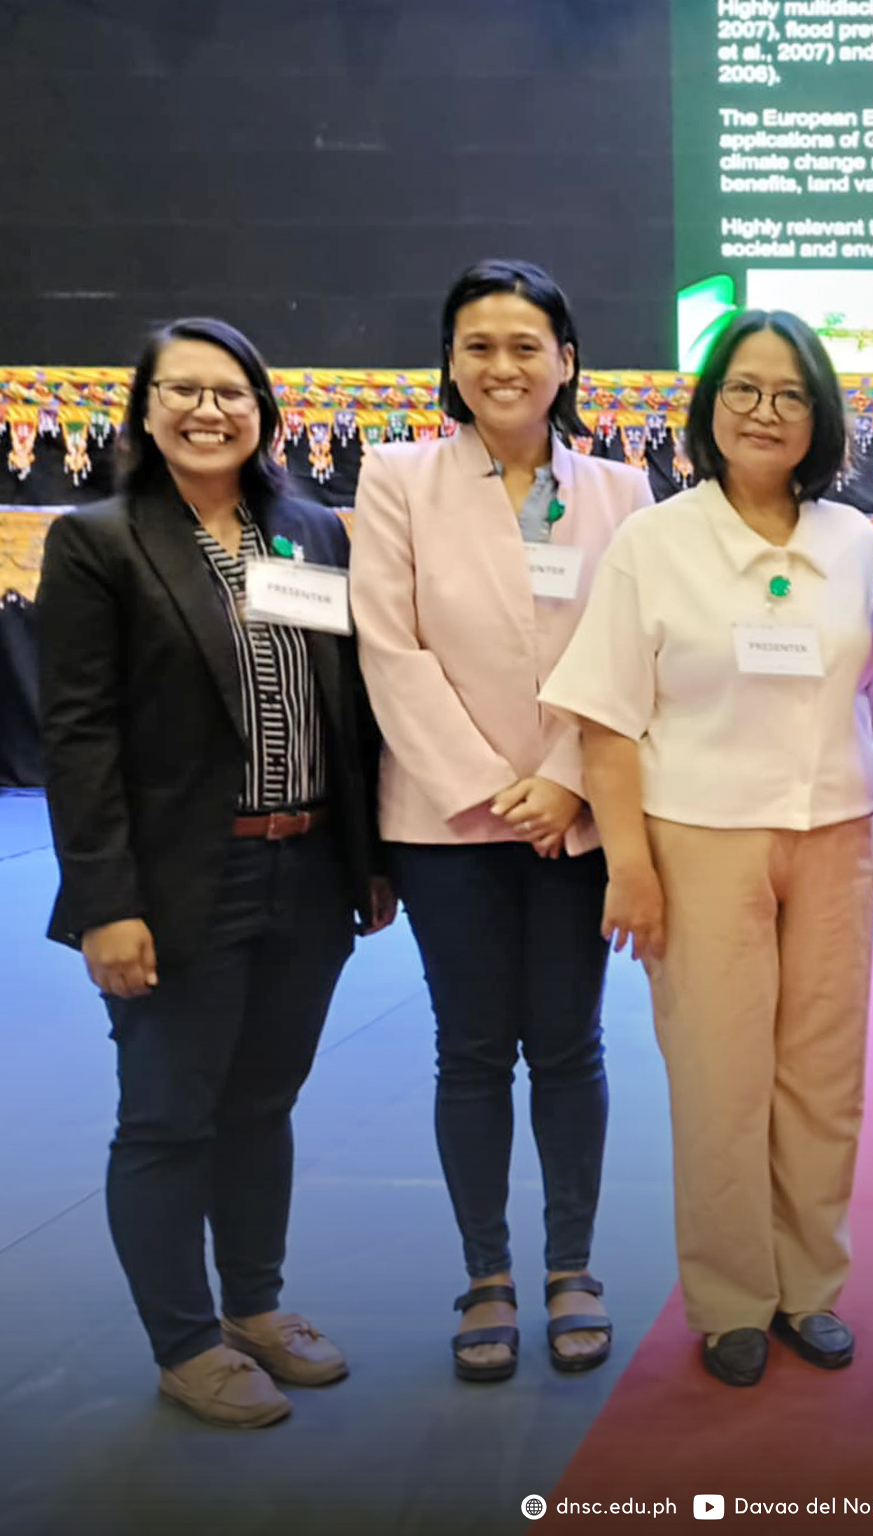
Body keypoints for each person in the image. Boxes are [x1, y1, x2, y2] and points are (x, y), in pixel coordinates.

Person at [541, 309, 873, 1389]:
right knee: (717, 1076)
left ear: (820, 416)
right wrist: (627, 867)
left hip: (839, 835)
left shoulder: (854, 542)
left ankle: (809, 1286)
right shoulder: (654, 542)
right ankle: (730, 1298)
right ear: (709, 408)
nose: (765, 412)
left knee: (822, 1078)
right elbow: (607, 720)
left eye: (790, 394)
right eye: (743, 389)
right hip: (698, 838)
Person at [37, 317, 393, 1427]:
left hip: (306, 875)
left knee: (262, 1104)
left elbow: (348, 706)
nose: (208, 410)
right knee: (166, 1119)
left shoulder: (309, 531)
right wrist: (108, 904)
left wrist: (366, 863)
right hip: (177, 884)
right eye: (182, 391)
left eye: (230, 392)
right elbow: (79, 737)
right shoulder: (100, 541)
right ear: (145, 410)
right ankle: (185, 1342)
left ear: (263, 411)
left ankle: (255, 1308)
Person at [350, 260, 652, 1381]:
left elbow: (634, 651)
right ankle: (486, 1274)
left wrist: (569, 777)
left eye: (526, 345)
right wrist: (487, 782)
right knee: (471, 1049)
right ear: (449, 363)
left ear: (566, 360)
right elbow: (390, 646)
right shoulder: (397, 479)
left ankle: (572, 1265)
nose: (502, 366)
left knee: (571, 1044)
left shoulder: (621, 493)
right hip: (444, 824)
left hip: (580, 817)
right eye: (478, 345)